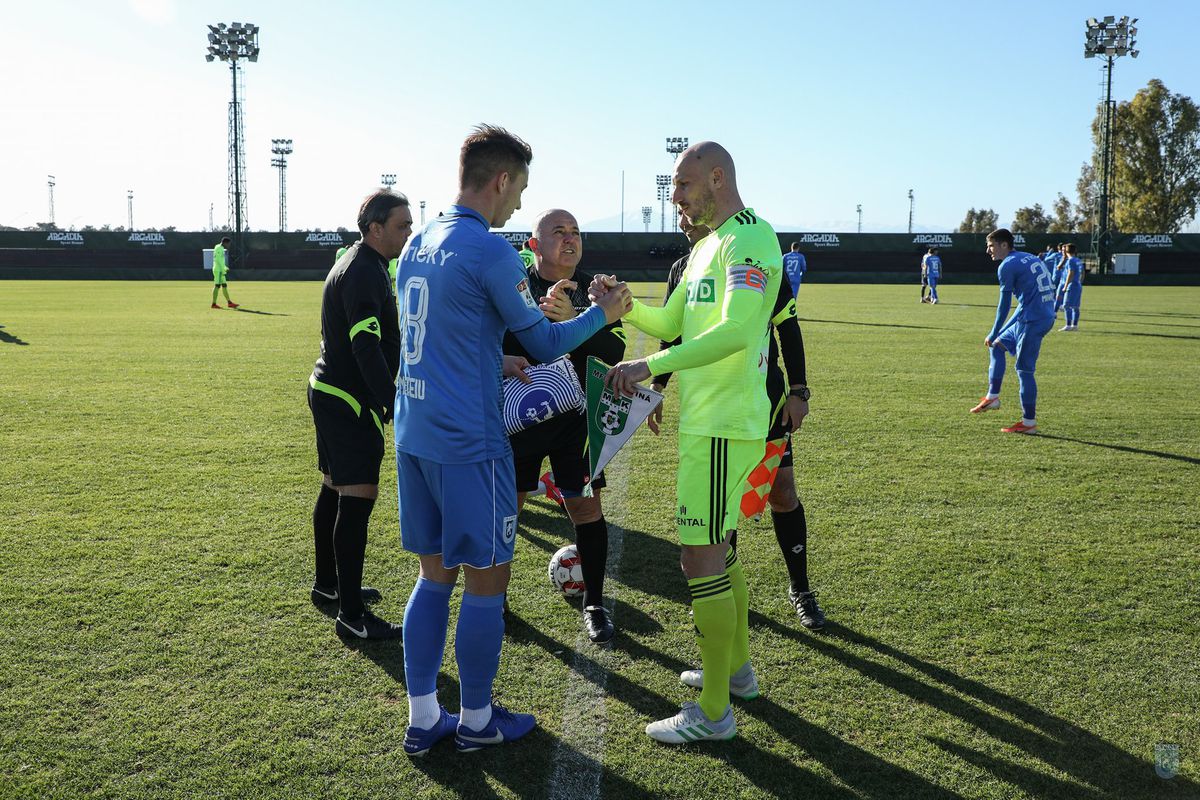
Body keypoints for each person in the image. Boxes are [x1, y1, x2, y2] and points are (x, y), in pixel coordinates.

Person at [393, 125, 632, 757]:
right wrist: (603, 314)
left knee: (432, 576)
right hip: (470, 441)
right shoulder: (490, 250)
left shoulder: (418, 240)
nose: (519, 202)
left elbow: (438, 335)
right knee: (487, 580)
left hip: (415, 431)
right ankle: (476, 720)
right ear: (501, 180)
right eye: (520, 188)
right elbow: (546, 343)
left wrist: (490, 358)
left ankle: (423, 717)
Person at [599, 141, 782, 744]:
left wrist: (650, 366)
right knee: (718, 551)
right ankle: (736, 673)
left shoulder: (749, 238)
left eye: (682, 184)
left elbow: (736, 331)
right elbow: (672, 322)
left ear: (717, 178)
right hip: (707, 422)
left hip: (726, 422)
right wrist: (624, 306)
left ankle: (713, 713)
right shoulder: (704, 247)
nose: (674, 196)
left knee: (698, 556)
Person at [651, 208, 826, 630]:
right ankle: (719, 590)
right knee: (722, 506)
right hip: (712, 409)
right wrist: (657, 385)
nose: (683, 219)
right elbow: (673, 332)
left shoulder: (751, 251)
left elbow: (787, 325)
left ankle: (801, 589)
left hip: (764, 401)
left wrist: (798, 391)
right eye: (678, 213)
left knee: (782, 492)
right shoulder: (683, 268)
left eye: (687, 207)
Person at [503, 208, 625, 644]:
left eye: (575, 232)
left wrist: (575, 316)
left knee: (586, 509)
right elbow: (488, 342)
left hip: (576, 422)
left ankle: (594, 604)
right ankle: (494, 600)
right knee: (509, 511)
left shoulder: (597, 290)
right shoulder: (511, 284)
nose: (570, 239)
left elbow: (615, 351)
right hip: (519, 417)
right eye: (559, 232)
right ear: (534, 245)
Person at [307, 191, 413, 641]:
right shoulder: (364, 270)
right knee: (357, 496)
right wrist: (391, 400)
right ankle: (352, 615)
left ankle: (329, 585)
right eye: (401, 225)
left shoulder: (362, 262)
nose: (408, 233)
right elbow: (365, 345)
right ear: (374, 228)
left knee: (334, 487)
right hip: (348, 401)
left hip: (331, 391)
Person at [969, 228, 1056, 434]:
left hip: (1033, 320)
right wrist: (999, 332)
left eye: (991, 246)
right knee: (997, 345)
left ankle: (1028, 423)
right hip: (1035, 314)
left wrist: (993, 330)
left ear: (1004, 245)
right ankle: (992, 397)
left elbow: (1004, 304)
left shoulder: (1007, 265)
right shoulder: (1028, 257)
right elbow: (1025, 301)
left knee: (1024, 371)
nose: (988, 251)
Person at [1060, 243, 1084, 331]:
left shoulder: (1070, 261)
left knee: (1066, 305)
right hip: (1078, 285)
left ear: (1066, 251)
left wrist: (1065, 286)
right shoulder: (1078, 260)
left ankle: (1068, 325)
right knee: (1075, 307)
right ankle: (1075, 325)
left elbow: (1071, 273)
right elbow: (1083, 272)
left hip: (1072, 286)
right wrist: (1080, 282)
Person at [211, 236, 239, 309]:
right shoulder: (219, 248)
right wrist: (223, 270)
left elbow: (220, 260)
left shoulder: (219, 247)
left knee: (224, 286)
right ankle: (213, 304)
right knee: (217, 286)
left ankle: (229, 303)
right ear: (224, 243)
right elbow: (218, 260)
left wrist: (225, 267)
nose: (229, 245)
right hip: (218, 270)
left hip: (220, 269)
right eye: (228, 244)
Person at [1047, 243, 1066, 314]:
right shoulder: (1067, 256)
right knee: (1062, 291)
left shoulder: (1055, 255)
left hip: (1056, 276)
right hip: (1063, 276)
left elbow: (1046, 259)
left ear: (1058, 248)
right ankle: (1061, 305)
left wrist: (1049, 253)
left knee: (1052, 291)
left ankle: (1053, 304)